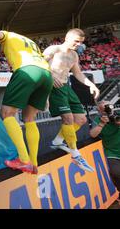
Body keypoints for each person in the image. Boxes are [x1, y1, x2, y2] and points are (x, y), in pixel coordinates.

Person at [0, 29, 54, 174]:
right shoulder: (30, 42)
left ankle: (24, 160)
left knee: (7, 114)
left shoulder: (9, 35)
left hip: (27, 70)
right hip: (47, 75)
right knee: (29, 118)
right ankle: (34, 163)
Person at [43, 29, 100, 172]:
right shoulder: (54, 49)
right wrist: (50, 75)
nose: (79, 44)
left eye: (81, 42)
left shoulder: (74, 55)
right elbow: (38, 63)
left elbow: (78, 74)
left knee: (81, 119)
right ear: (67, 38)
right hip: (54, 87)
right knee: (68, 118)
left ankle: (57, 141)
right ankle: (76, 155)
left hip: (66, 87)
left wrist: (91, 85)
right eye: (76, 41)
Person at [90, 101, 119, 202]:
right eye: (104, 108)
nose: (107, 109)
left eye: (108, 106)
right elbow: (93, 134)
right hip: (111, 151)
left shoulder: (118, 114)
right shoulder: (98, 120)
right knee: (115, 172)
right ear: (99, 110)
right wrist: (102, 124)